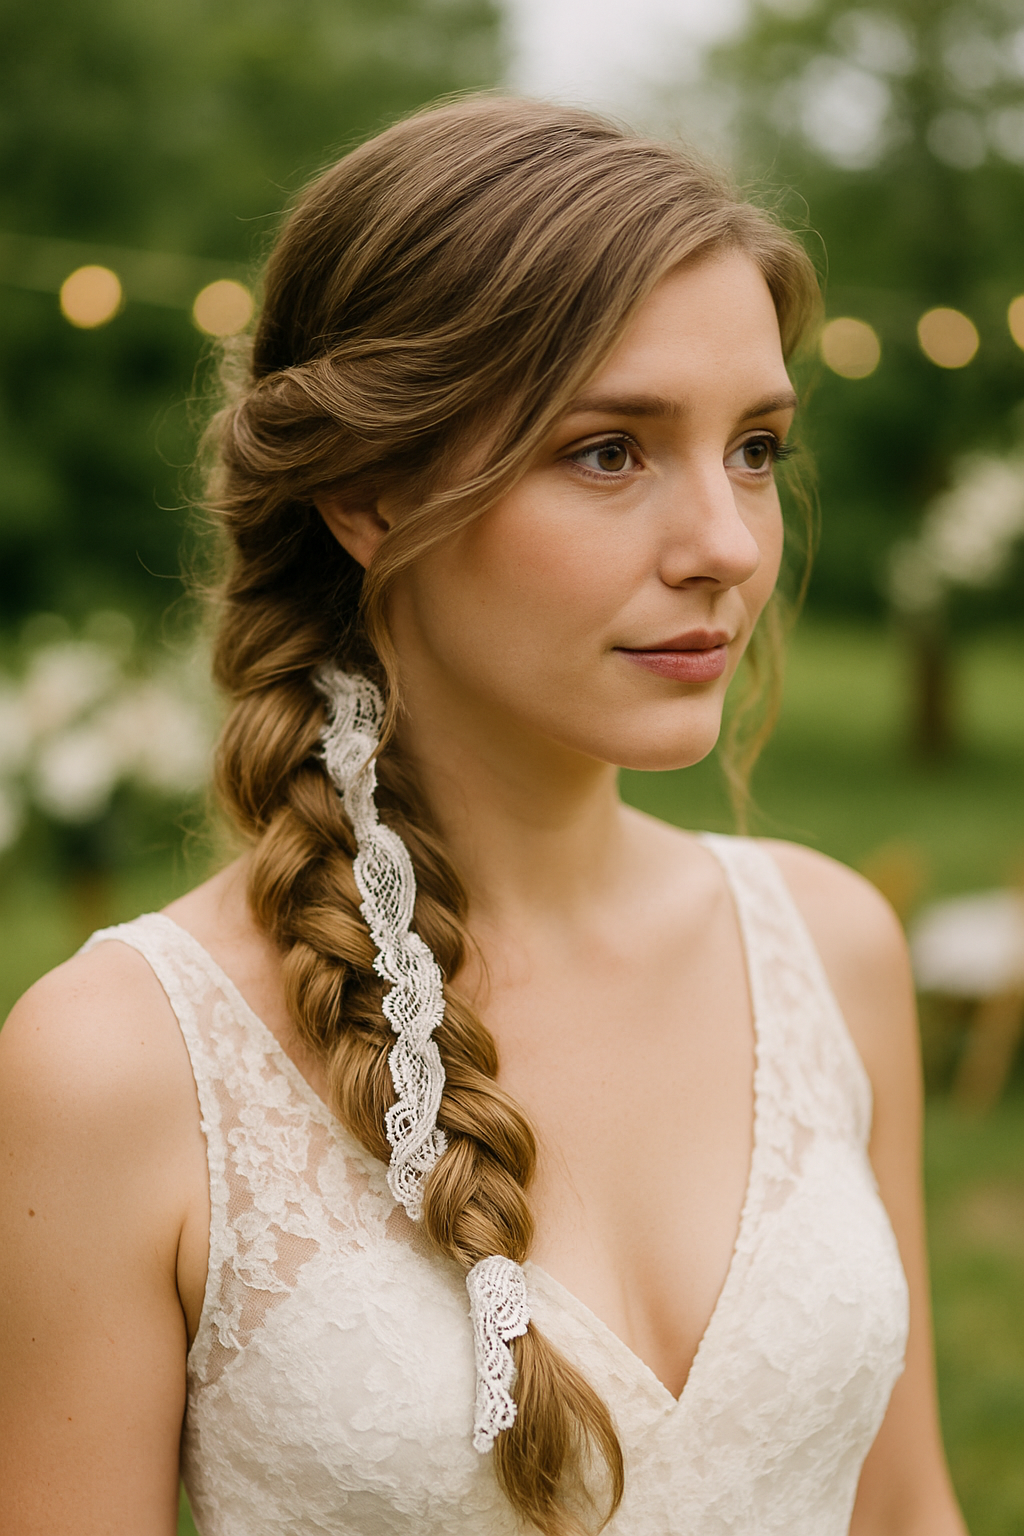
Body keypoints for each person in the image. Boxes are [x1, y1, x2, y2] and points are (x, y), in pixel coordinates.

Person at [0, 96, 968, 1536]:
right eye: (610, 451)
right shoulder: (123, 1068)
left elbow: (903, 1510)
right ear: (367, 494)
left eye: (755, 447)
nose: (723, 544)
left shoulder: (832, 947)